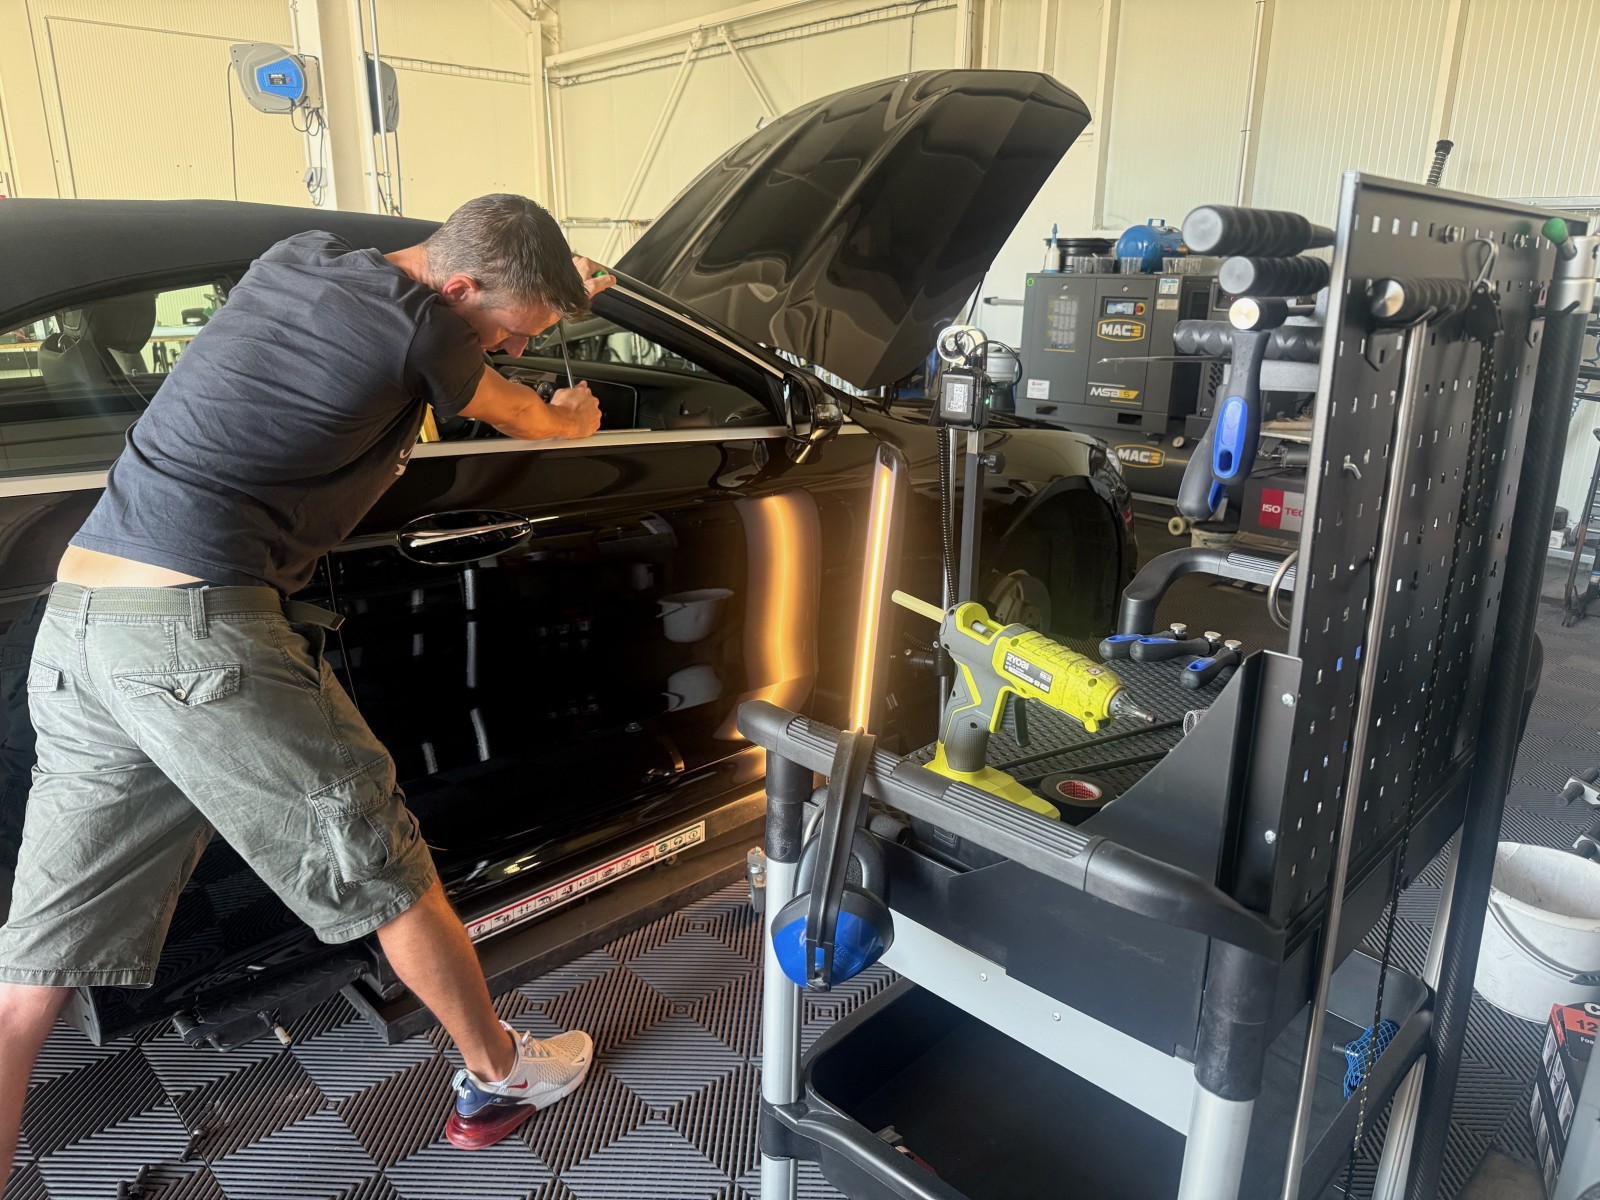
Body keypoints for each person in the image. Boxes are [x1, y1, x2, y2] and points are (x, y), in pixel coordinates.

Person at [0, 193, 613, 1188]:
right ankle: (499, 1075)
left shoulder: (302, 255)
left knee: (32, 971)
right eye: (506, 331)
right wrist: (569, 416)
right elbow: (529, 418)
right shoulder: (426, 328)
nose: (504, 348)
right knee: (380, 859)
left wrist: (555, 290)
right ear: (461, 290)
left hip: (81, 622)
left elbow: (469, 281)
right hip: (193, 635)